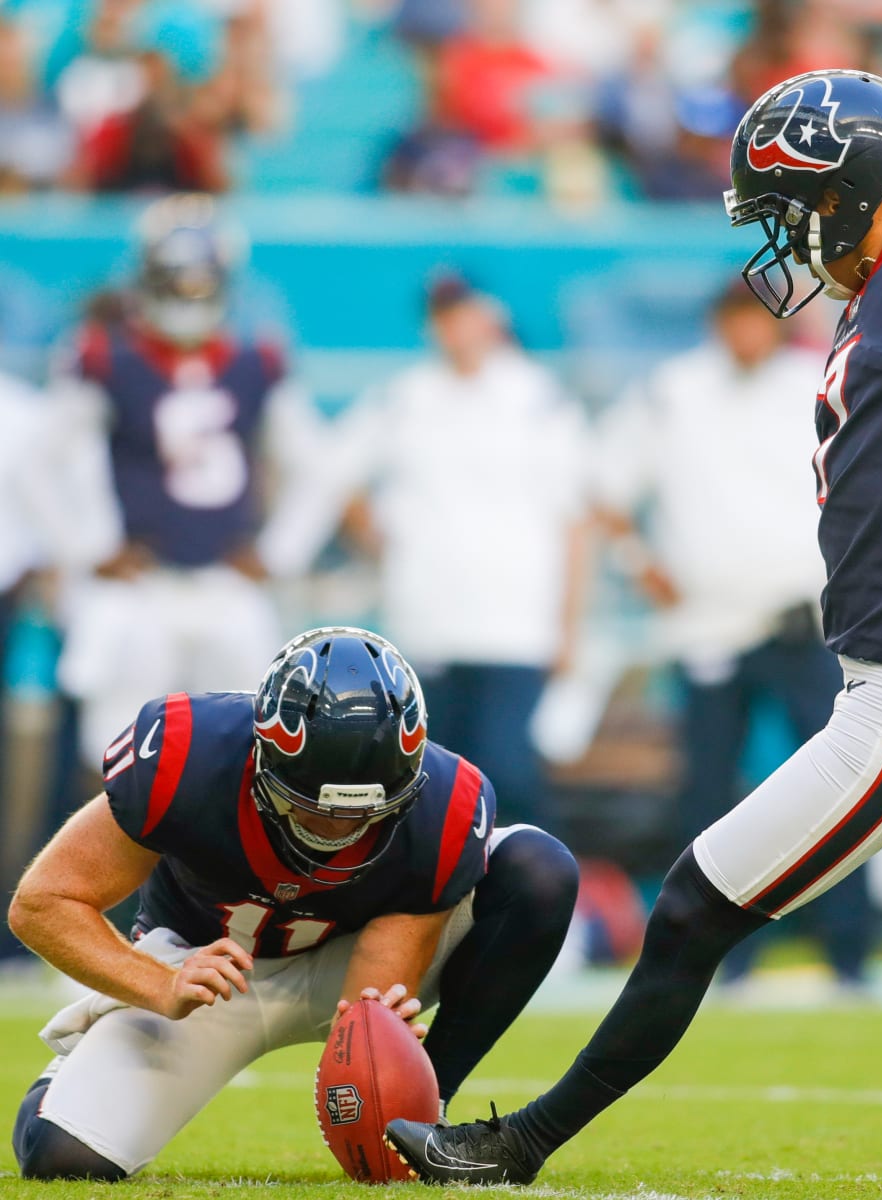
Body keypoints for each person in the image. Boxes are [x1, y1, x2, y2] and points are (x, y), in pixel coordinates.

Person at [383, 68, 882, 1184]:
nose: (791, 242)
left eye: (790, 211)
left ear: (847, 188)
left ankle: (517, 1146)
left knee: (689, 909)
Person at [7, 625, 578, 1180]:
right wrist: (158, 983)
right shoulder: (187, 754)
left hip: (346, 958)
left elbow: (371, 990)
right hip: (206, 972)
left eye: (365, 812)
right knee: (63, 1158)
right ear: (265, 757)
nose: (340, 827)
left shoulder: (444, 804)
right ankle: (66, 1079)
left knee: (538, 871)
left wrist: (377, 1040)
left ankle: (435, 1117)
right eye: (315, 806)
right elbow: (43, 902)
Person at [592, 278, 870, 988]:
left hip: (801, 620)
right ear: (718, 324)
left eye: (759, 318)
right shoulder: (672, 393)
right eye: (736, 318)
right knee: (711, 798)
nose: (748, 332)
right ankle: (717, 955)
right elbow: (604, 487)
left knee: (844, 784)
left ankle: (849, 950)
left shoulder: (813, 383)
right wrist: (639, 565)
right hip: (708, 624)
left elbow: (866, 478)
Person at [39, 193, 325, 775]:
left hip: (225, 583)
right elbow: (37, 462)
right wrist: (86, 547)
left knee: (247, 755)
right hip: (141, 585)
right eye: (177, 280)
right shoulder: (104, 359)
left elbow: (317, 468)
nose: (189, 295)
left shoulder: (257, 362)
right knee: (118, 761)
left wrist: (279, 552)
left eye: (199, 281)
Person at [315, 275, 591, 832]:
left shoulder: (539, 398)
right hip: (428, 621)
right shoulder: (405, 397)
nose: (457, 329)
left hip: (516, 624)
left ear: (489, 318)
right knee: (429, 780)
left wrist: (568, 626)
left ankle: (521, 903)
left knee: (510, 775)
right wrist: (383, 542)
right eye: (444, 317)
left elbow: (575, 517)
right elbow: (332, 470)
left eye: (465, 313)